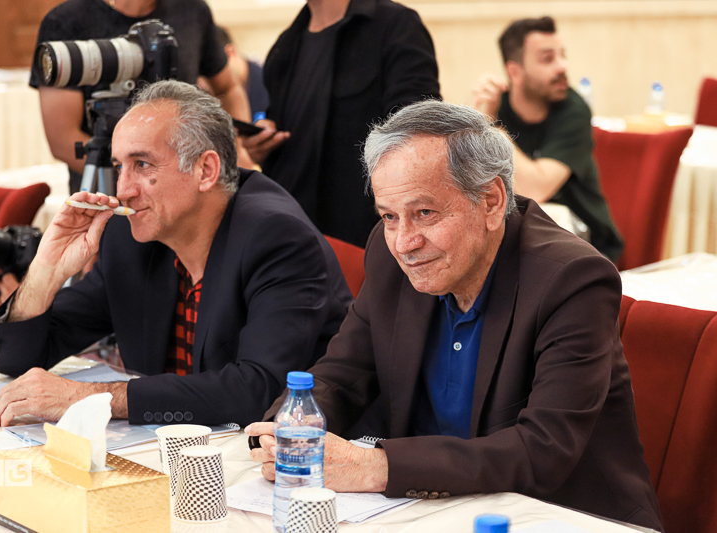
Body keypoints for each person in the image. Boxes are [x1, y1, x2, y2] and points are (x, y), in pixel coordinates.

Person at [247, 100, 663, 531]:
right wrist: (290, 430)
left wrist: (376, 467)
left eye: (424, 213)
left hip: (559, 516)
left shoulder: (571, 279)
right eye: (389, 216)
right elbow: (342, 374)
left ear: (491, 202)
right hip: (428, 511)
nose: (404, 242)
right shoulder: (391, 258)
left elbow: (543, 449)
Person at [0, 80, 352, 429]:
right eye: (119, 167)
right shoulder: (131, 238)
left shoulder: (276, 237)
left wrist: (91, 398)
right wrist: (45, 271)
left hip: (292, 454)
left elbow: (258, 389)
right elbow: (15, 360)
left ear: (205, 170)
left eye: (142, 164)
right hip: (170, 450)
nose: (123, 190)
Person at [242, 0, 441, 248]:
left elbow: (419, 138)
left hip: (370, 242)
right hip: (294, 241)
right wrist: (262, 147)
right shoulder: (285, 47)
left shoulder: (396, 27)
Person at [29, 0, 251, 194]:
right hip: (106, 193)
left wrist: (236, 149)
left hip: (185, 193)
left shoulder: (192, 10)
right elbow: (62, 139)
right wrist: (137, 175)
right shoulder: (66, 20)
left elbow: (229, 88)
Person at [471, 16, 623, 262]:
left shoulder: (574, 111)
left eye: (562, 55)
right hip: (521, 243)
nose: (562, 66)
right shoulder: (497, 107)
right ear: (515, 72)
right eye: (548, 59)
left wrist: (490, 128)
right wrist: (475, 118)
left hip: (585, 248)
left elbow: (535, 189)